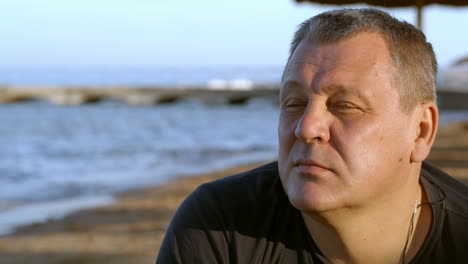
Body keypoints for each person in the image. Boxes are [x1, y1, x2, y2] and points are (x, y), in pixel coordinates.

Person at [156, 8, 468, 264]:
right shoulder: (220, 227)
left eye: (345, 105)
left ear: (421, 131)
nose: (306, 127)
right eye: (294, 103)